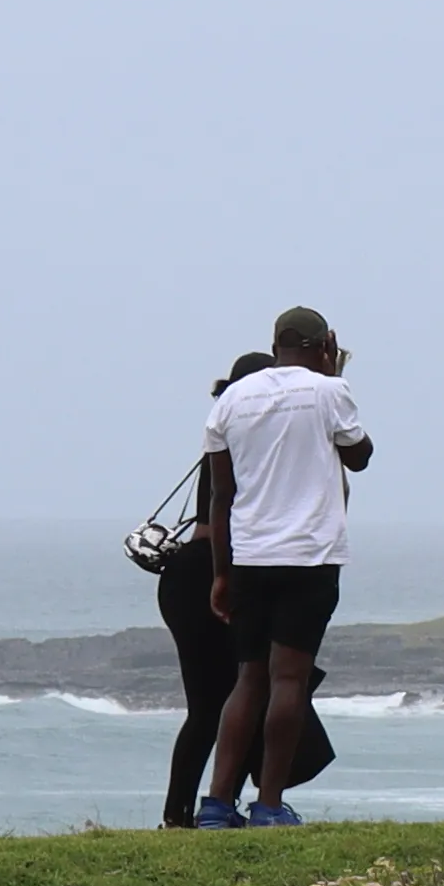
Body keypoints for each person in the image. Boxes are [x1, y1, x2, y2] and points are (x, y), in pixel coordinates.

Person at [201, 308, 372, 826]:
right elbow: (359, 456)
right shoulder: (328, 391)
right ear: (326, 345)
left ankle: (216, 803)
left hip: (249, 555)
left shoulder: (234, 396)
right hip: (309, 557)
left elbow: (221, 496)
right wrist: (334, 378)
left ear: (274, 344)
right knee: (289, 679)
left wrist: (222, 573)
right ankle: (269, 804)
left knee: (248, 678)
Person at [156, 348, 268, 828]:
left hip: (184, 574)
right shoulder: (254, 443)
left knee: (211, 705)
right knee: (232, 699)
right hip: (216, 569)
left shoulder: (223, 436)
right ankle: (210, 809)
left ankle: (185, 812)